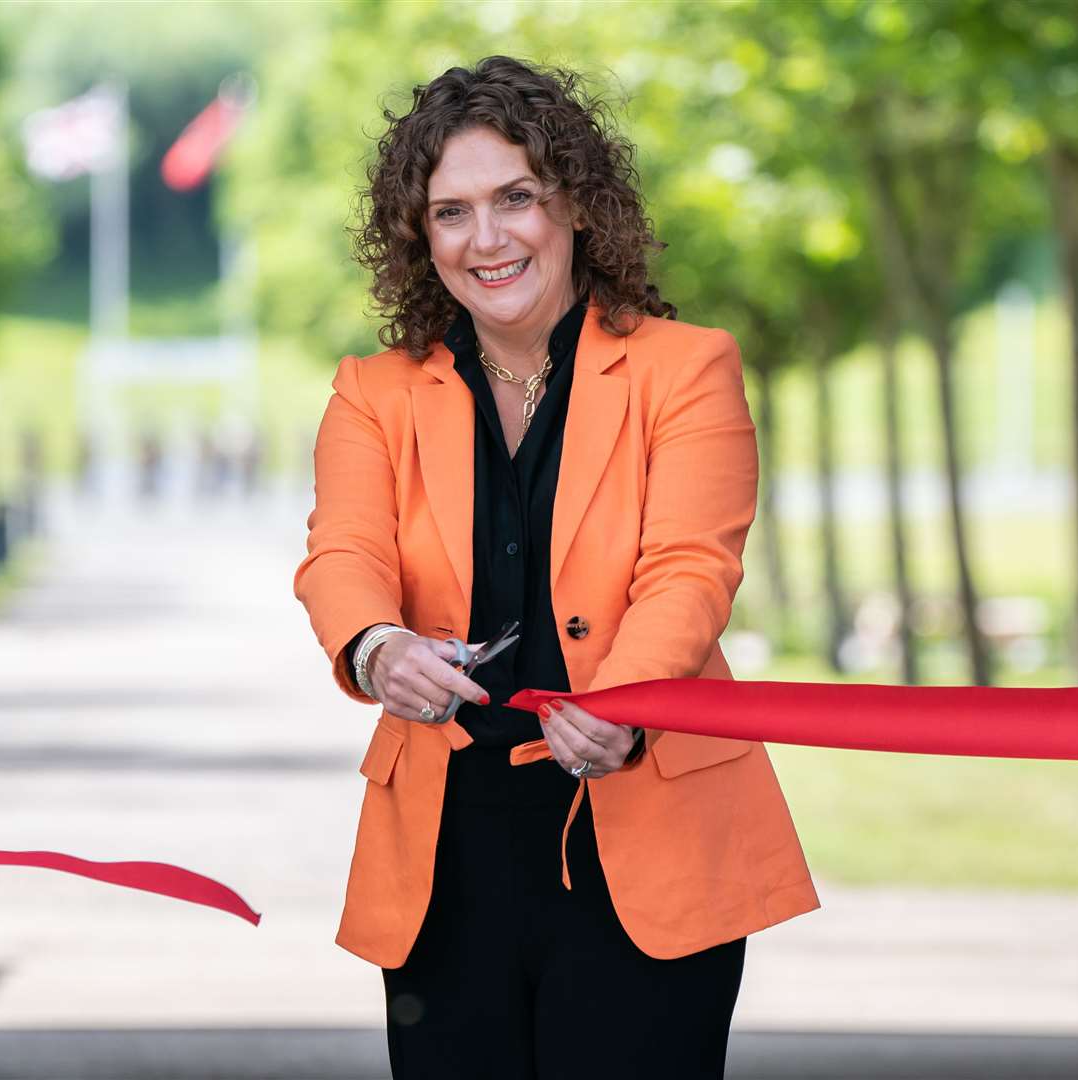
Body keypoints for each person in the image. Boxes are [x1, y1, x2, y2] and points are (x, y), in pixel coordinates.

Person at [294, 55, 819, 1079]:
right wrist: (374, 647)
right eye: (450, 213)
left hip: (646, 828)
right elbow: (341, 555)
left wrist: (620, 699)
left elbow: (688, 571)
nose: (485, 239)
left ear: (574, 205)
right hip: (445, 856)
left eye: (514, 199)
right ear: (419, 237)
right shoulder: (371, 392)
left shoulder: (686, 368)